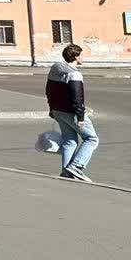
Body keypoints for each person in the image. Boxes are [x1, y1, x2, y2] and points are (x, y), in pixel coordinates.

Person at [46, 43, 98, 181]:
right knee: (91, 139)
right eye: (81, 55)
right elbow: (77, 97)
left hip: (58, 110)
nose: (83, 57)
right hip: (71, 112)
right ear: (76, 57)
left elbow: (49, 90)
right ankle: (76, 166)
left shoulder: (56, 68)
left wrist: (51, 108)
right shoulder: (75, 74)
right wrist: (80, 117)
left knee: (70, 140)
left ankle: (66, 172)